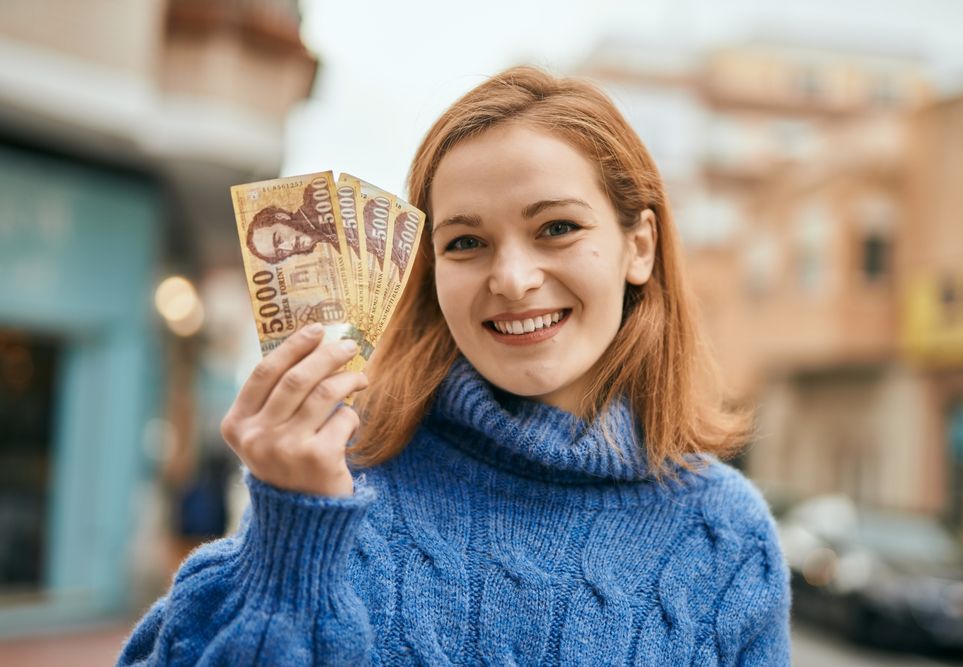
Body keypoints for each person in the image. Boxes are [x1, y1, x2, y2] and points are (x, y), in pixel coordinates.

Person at [118, 66, 791, 666]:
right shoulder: (335, 481)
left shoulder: (726, 535)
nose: (513, 277)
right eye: (466, 241)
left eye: (557, 227)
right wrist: (291, 536)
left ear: (638, 246)